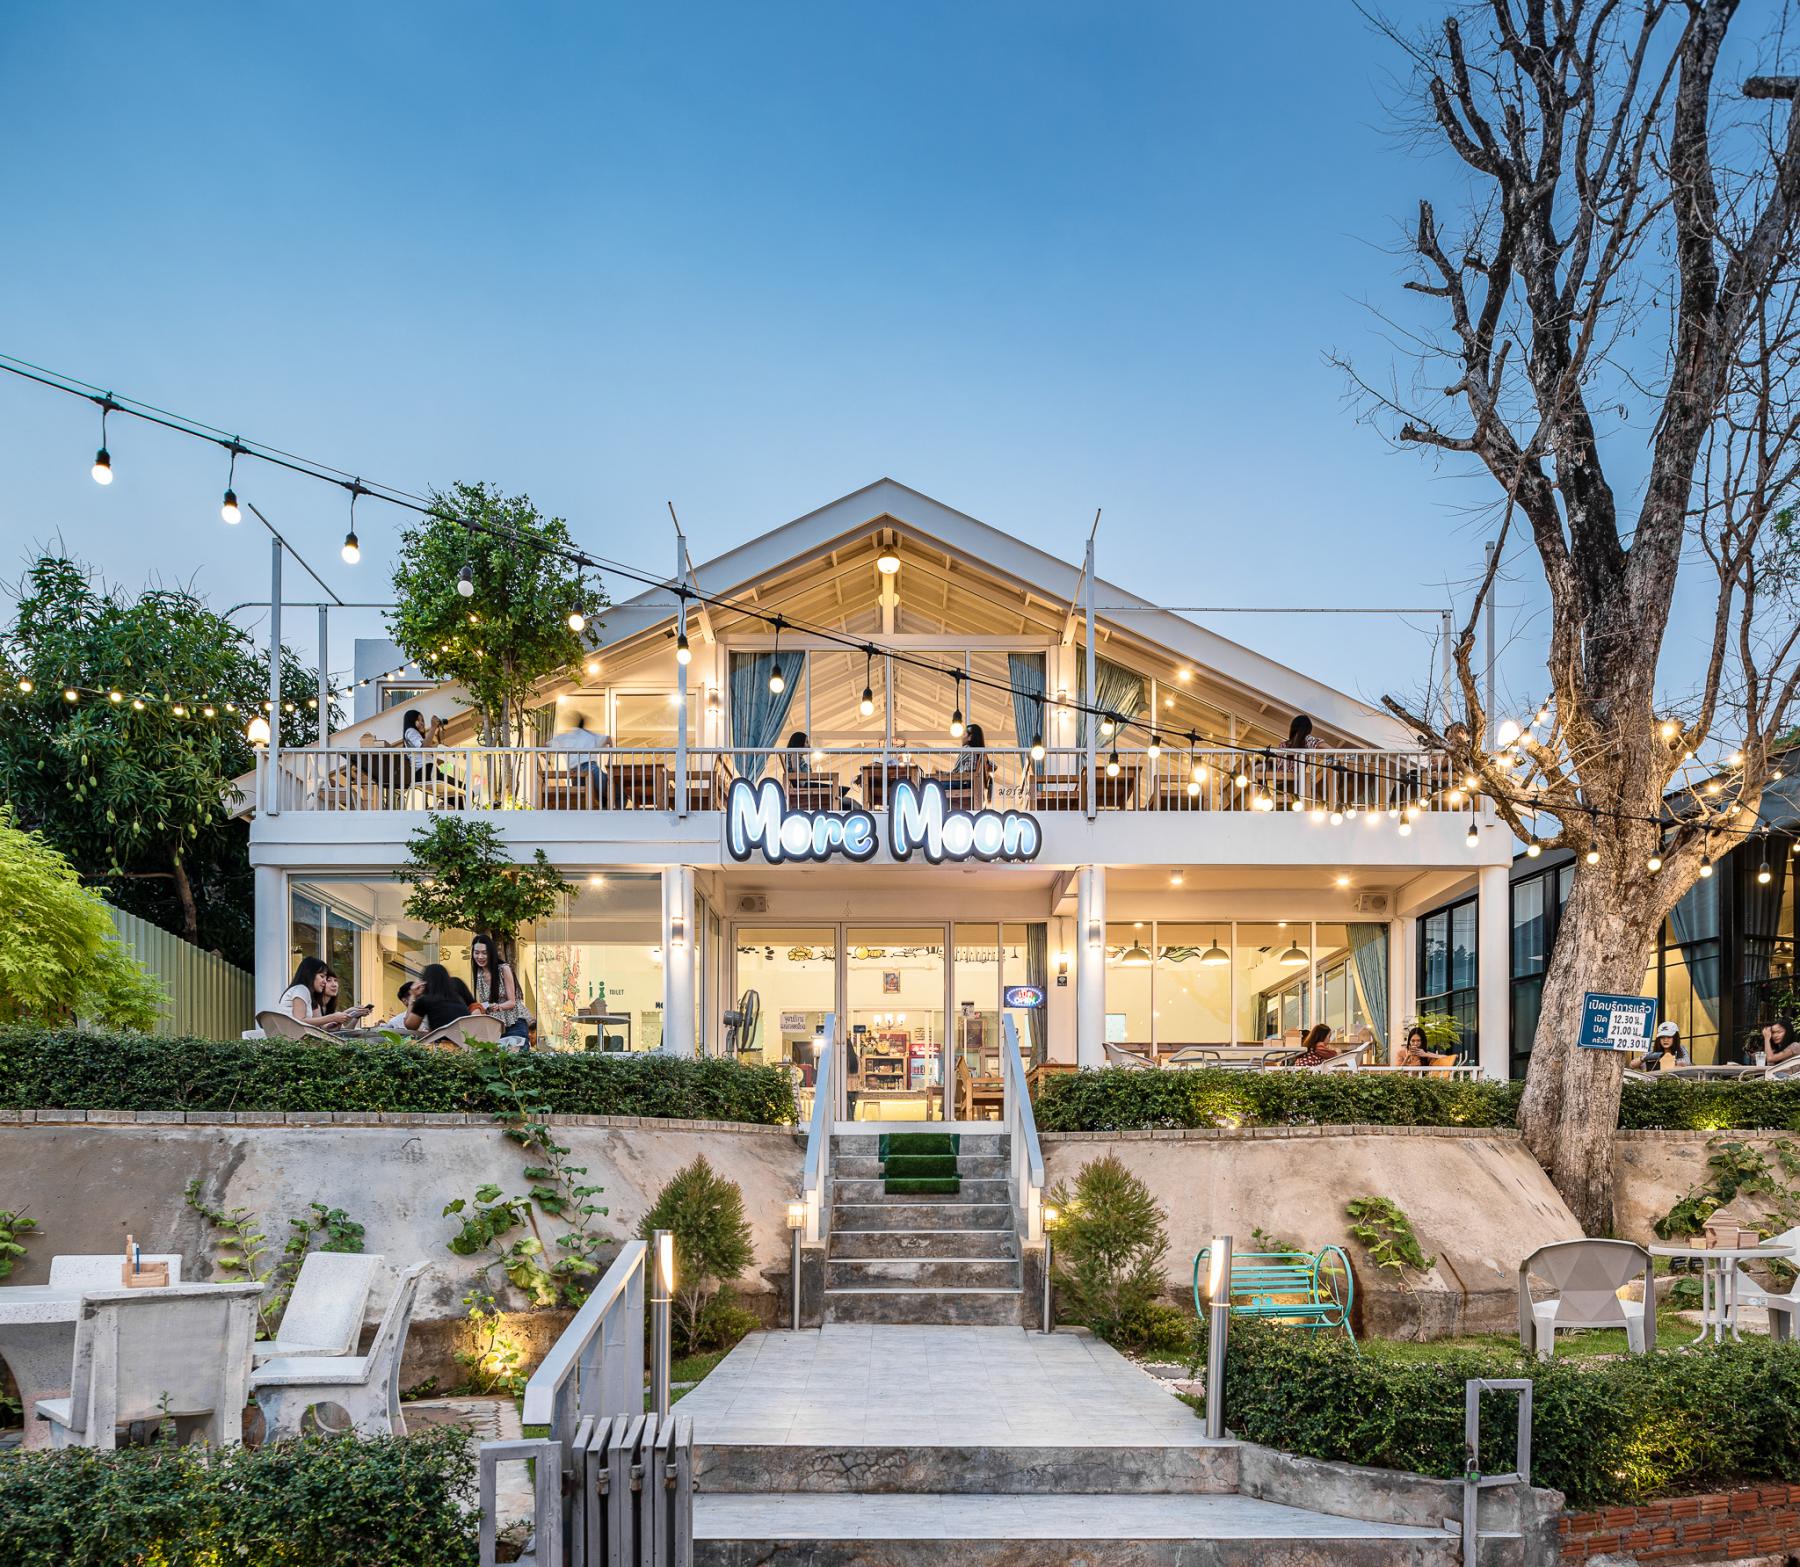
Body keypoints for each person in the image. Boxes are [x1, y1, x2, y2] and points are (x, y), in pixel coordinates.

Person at [470, 933, 531, 1044]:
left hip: (514, 1023)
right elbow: (486, 1003)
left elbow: (512, 1002)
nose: (480, 957)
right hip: (495, 1026)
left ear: (491, 953)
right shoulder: (479, 973)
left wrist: (497, 1007)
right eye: (477, 953)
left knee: (516, 1054)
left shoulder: (503, 969)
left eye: (484, 953)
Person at [550, 712, 609, 805]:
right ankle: (604, 801)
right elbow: (608, 739)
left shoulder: (565, 737)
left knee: (581, 798)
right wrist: (609, 762)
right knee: (608, 788)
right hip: (590, 767)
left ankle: (601, 801)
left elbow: (547, 745)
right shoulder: (590, 735)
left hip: (576, 771)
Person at [405, 963, 473, 1033]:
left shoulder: (425, 1000)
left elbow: (410, 1026)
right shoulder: (458, 999)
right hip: (465, 1038)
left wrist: (413, 996)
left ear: (425, 981)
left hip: (444, 1039)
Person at [947, 721, 993, 804]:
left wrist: (942, 775)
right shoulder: (981, 755)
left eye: (964, 734)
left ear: (970, 737)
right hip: (974, 787)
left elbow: (955, 772)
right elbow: (993, 766)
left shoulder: (967, 749)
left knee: (935, 785)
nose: (962, 737)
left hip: (964, 785)